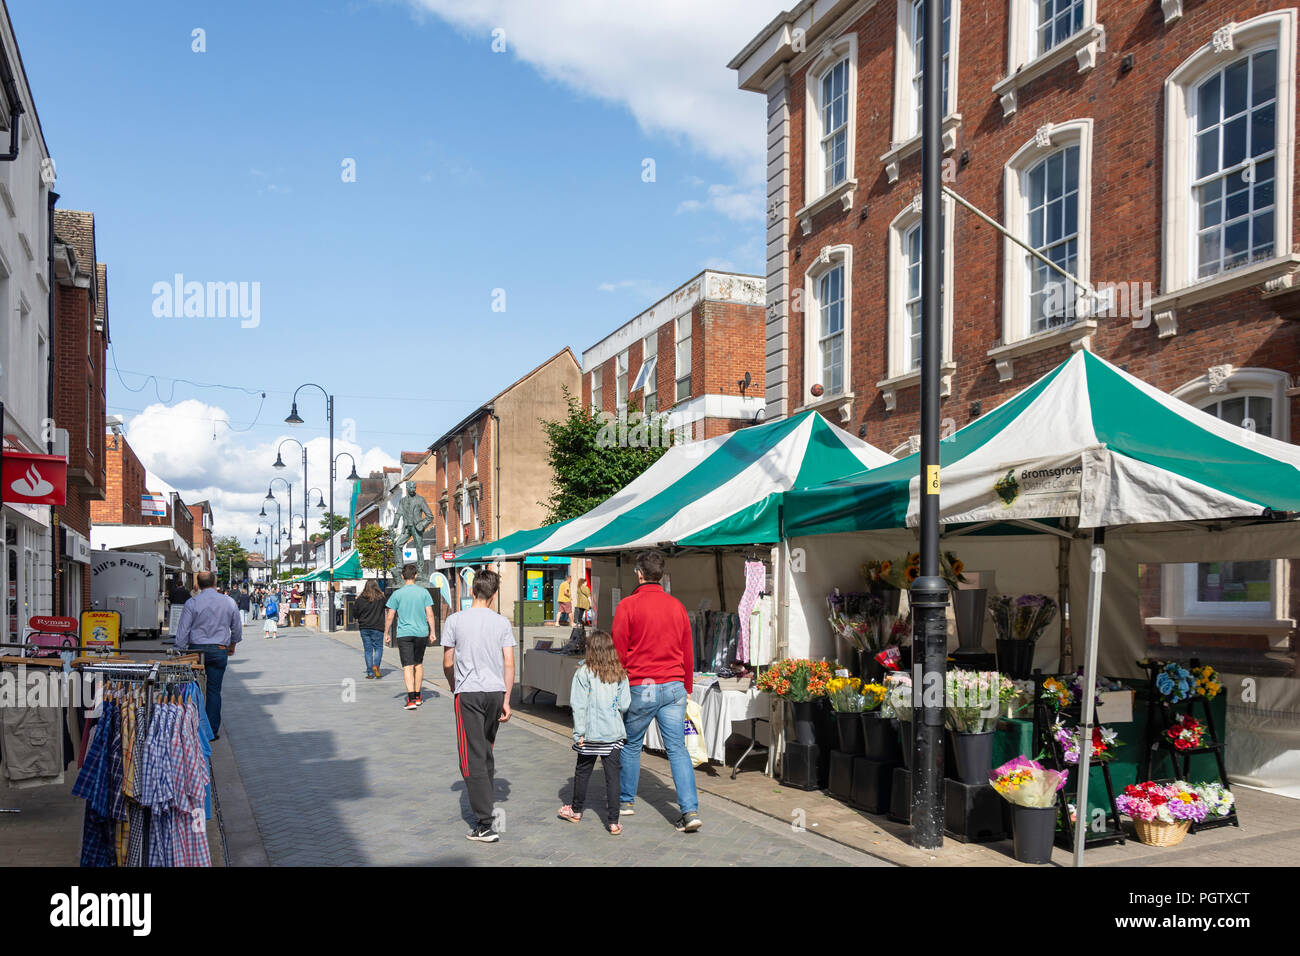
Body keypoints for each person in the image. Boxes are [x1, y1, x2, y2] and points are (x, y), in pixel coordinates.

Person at [612, 550, 700, 832]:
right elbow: (688, 650)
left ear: (639, 574)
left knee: (632, 743)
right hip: (673, 685)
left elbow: (618, 650)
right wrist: (687, 686)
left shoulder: (627, 605)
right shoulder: (677, 606)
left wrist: (617, 684)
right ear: (661, 575)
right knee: (677, 749)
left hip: (643, 685)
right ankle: (689, 811)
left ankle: (626, 801)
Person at [441, 569, 515, 844]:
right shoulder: (501, 622)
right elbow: (509, 662)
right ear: (494, 595)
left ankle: (484, 824)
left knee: (471, 756)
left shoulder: (455, 620)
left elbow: (448, 662)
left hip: (469, 693)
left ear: (471, 591)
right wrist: (507, 699)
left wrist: (452, 684)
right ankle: (485, 807)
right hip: (495, 691)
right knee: (485, 751)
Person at [557, 629, 630, 835]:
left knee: (582, 772)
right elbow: (625, 704)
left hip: (589, 734)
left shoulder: (583, 673)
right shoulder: (619, 673)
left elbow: (578, 705)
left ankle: (576, 810)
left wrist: (578, 733)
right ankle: (614, 822)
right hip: (614, 733)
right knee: (613, 777)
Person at [173, 570, 242, 739]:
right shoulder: (229, 601)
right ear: (214, 583)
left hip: (196, 649)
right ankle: (211, 730)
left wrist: (179, 650)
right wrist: (232, 644)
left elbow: (183, 631)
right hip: (219, 649)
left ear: (197, 584)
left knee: (193, 688)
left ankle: (194, 726)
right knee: (213, 690)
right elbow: (237, 628)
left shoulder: (192, 602)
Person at [385, 564, 434, 710]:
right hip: (421, 633)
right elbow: (430, 614)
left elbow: (390, 615)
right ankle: (418, 696)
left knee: (407, 665)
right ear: (416, 575)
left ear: (402, 576)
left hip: (404, 634)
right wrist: (433, 632)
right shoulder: (424, 592)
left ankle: (411, 699)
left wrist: (386, 632)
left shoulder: (397, 594)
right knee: (418, 664)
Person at [353, 579, 387, 680]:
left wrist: (358, 618)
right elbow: (388, 606)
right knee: (378, 648)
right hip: (378, 627)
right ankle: (376, 666)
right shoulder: (381, 598)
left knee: (368, 650)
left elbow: (355, 613)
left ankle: (369, 672)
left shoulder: (360, 599)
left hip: (364, 627)